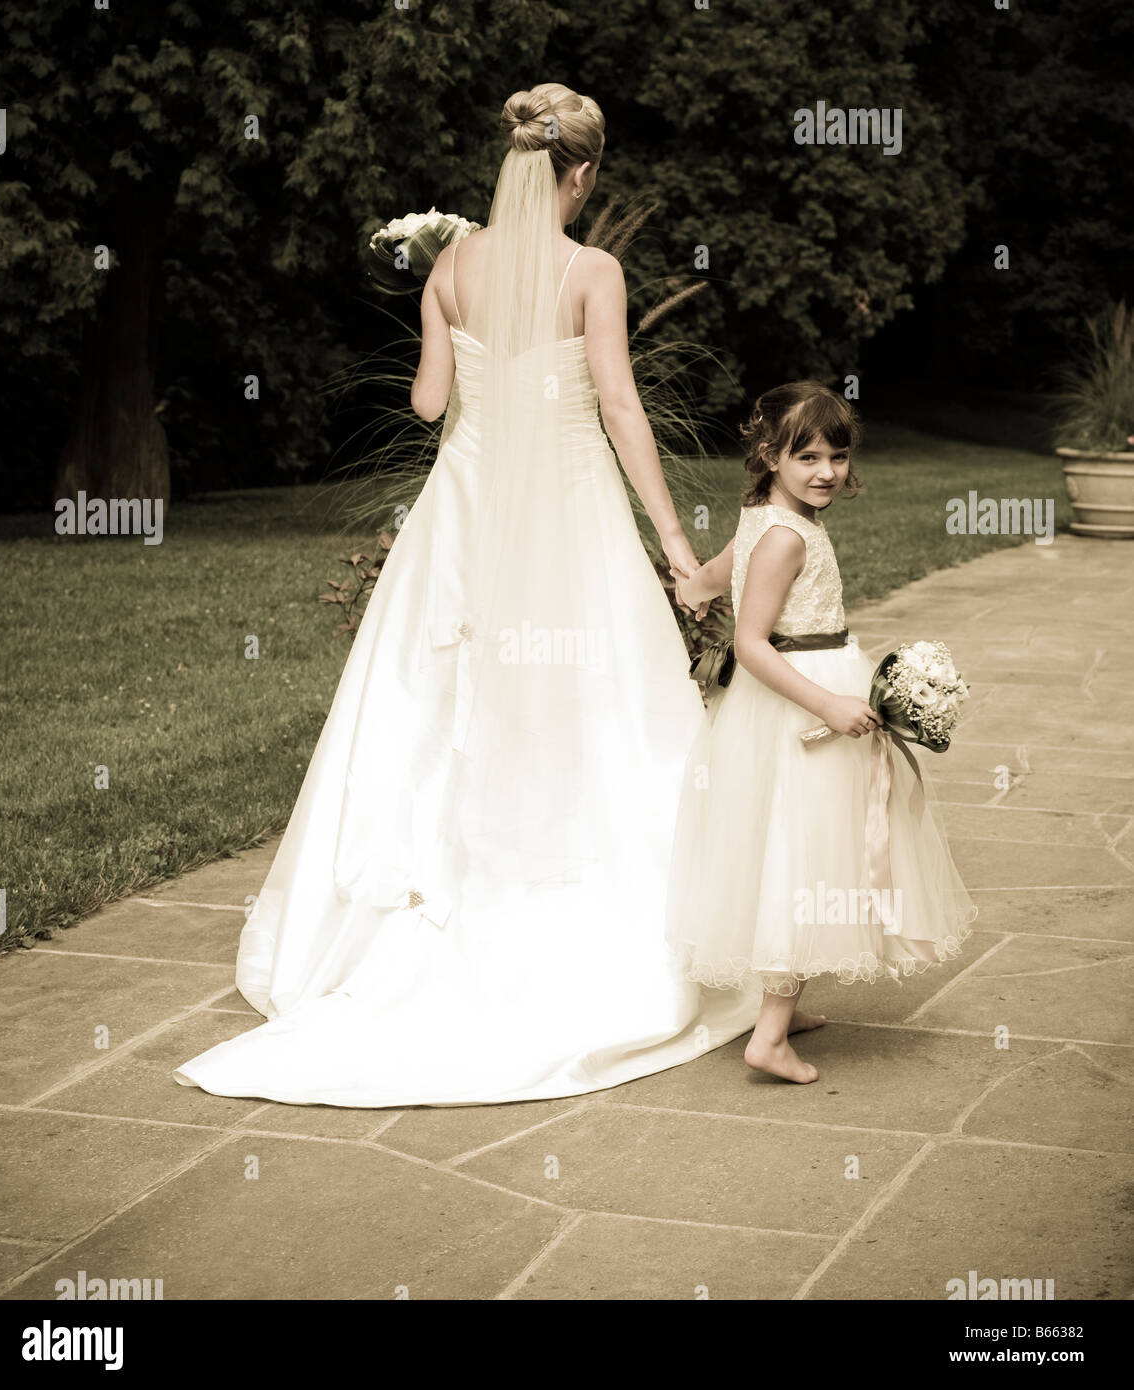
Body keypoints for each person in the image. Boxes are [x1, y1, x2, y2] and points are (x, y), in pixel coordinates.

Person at [174, 83, 761, 1108]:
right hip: (570, 500)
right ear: (577, 174)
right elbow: (618, 404)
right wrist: (674, 540)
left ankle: (414, 913)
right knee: (590, 702)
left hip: (465, 506)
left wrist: (448, 329)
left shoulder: (450, 265)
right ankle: (592, 914)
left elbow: (429, 401)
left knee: (437, 700)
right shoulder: (592, 272)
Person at [669, 381, 977, 1084]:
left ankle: (783, 998)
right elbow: (751, 643)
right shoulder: (784, 536)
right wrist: (830, 707)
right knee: (812, 860)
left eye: (837, 456)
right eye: (806, 456)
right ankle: (769, 1035)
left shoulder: (761, 520)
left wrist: (688, 589)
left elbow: (720, 575)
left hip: (794, 695)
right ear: (769, 453)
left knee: (796, 851)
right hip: (804, 698)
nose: (826, 472)